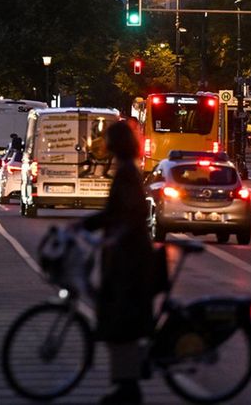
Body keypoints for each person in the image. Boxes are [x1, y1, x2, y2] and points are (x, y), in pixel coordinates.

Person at [77, 119, 159, 404]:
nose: (106, 144)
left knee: (122, 323)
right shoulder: (127, 171)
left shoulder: (125, 174)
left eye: (109, 140)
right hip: (128, 258)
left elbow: (125, 215)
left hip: (129, 262)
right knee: (122, 324)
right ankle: (127, 384)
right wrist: (86, 226)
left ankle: (128, 387)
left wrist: (98, 233)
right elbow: (115, 214)